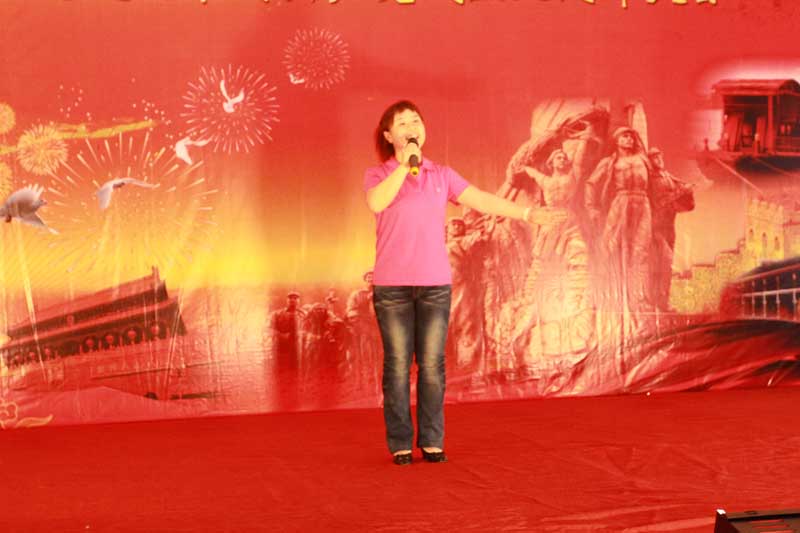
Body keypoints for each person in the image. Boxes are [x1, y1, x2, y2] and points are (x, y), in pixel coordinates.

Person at [364, 100, 537, 465]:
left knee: (432, 365)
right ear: (389, 135)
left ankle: (431, 440)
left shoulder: (441, 175)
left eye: (416, 121)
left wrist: (527, 213)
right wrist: (405, 165)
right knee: (397, 365)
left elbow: (482, 200)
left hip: (435, 285)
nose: (412, 127)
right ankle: (400, 442)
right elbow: (377, 203)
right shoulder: (378, 175)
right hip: (392, 287)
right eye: (402, 123)